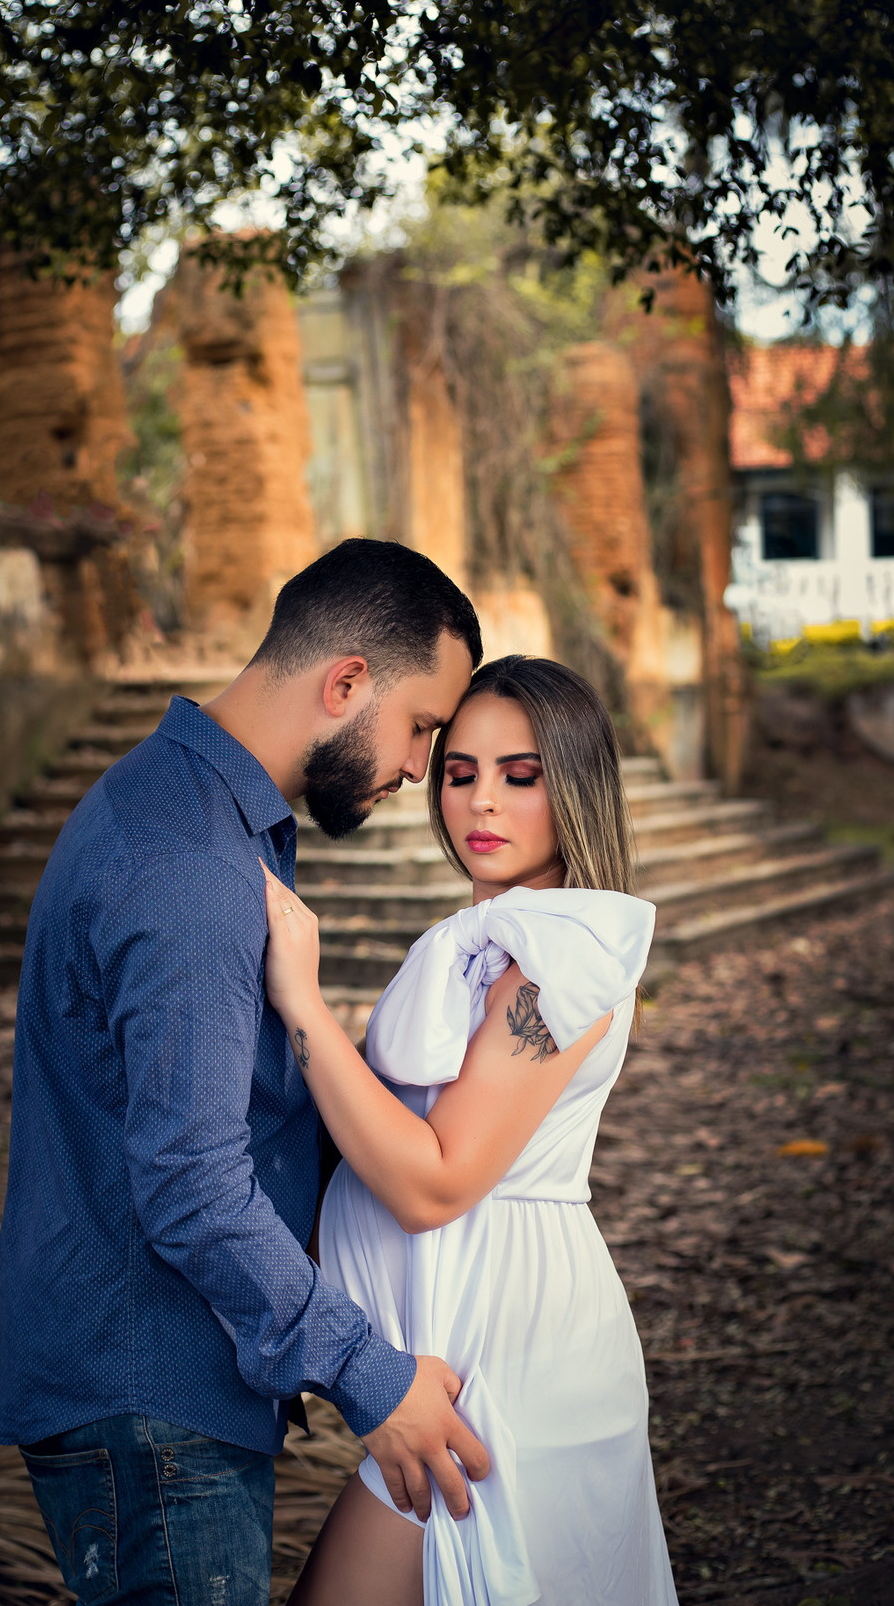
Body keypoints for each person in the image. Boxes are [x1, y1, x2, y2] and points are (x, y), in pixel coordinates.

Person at [0, 538, 490, 1606]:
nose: (416, 768)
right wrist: (372, 1379)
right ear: (345, 682)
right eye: (422, 728)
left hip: (144, 1385)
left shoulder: (183, 809)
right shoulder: (198, 869)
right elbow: (193, 1187)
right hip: (153, 1400)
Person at [262, 655, 680, 1606]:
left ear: (572, 787)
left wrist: (301, 1002)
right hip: (455, 1338)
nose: (481, 803)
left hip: (515, 1349)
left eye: (520, 776)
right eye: (460, 773)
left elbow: (433, 1184)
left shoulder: (559, 958)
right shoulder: (488, 941)